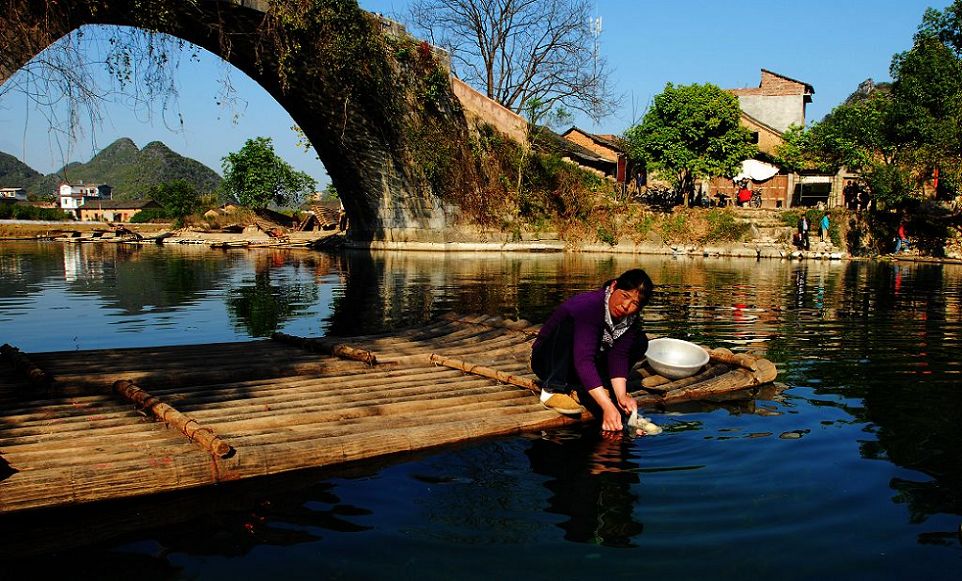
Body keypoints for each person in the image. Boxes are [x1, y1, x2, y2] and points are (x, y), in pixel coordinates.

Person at [531, 269, 654, 432]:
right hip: (549, 361)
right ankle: (552, 389)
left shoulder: (629, 319)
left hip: (579, 363)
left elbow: (619, 356)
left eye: (635, 304)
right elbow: (584, 359)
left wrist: (621, 396)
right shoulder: (589, 306)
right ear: (613, 286)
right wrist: (607, 406)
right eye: (624, 296)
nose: (626, 306)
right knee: (569, 322)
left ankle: (595, 386)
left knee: (640, 341)